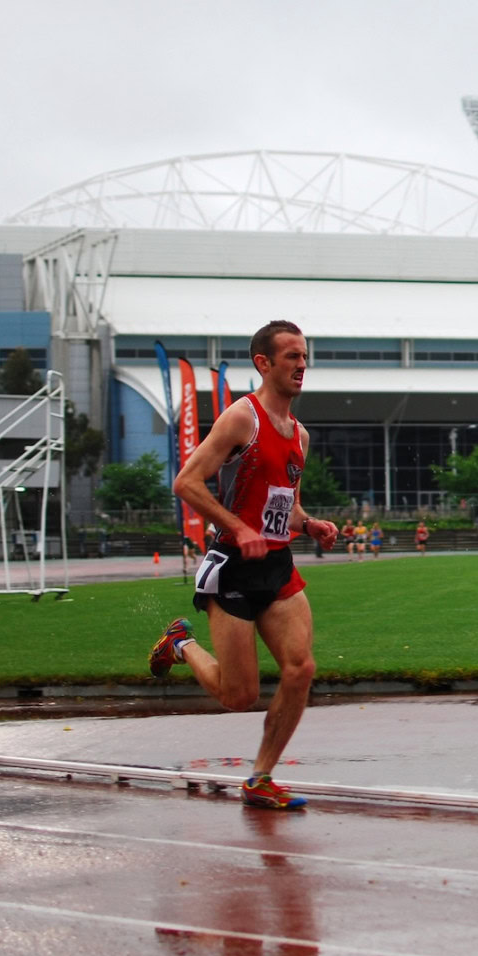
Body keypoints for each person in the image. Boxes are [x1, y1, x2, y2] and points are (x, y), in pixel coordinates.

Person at [146, 320, 339, 810]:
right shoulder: (241, 419)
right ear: (264, 363)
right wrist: (240, 528)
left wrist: (309, 523)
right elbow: (187, 483)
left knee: (301, 668)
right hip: (231, 564)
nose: (301, 365)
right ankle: (180, 642)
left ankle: (260, 777)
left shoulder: (300, 435)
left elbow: (285, 505)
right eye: (291, 356)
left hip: (277, 567)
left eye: (304, 356)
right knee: (239, 696)